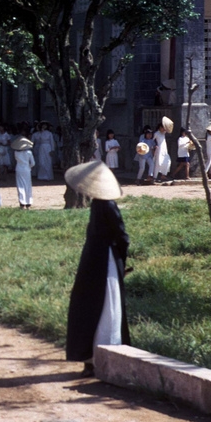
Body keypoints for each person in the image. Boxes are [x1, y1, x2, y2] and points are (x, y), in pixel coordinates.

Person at [64, 161, 130, 377]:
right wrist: (122, 260)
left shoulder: (101, 205)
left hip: (97, 260)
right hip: (105, 259)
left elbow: (120, 236)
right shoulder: (105, 205)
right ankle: (101, 355)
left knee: (97, 304)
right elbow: (122, 237)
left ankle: (95, 357)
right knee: (105, 306)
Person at [12, 134, 35, 208]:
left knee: (20, 185)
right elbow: (33, 163)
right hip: (27, 169)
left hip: (19, 169)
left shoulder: (16, 153)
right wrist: (29, 167)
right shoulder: (29, 153)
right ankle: (29, 201)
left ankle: (22, 202)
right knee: (28, 185)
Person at [152, 116, 172, 182]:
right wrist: (154, 147)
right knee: (158, 163)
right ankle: (154, 177)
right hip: (159, 149)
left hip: (164, 150)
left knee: (168, 162)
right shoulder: (156, 133)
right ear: (160, 127)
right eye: (163, 128)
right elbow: (152, 140)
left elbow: (168, 130)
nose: (164, 129)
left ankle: (163, 175)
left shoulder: (163, 133)